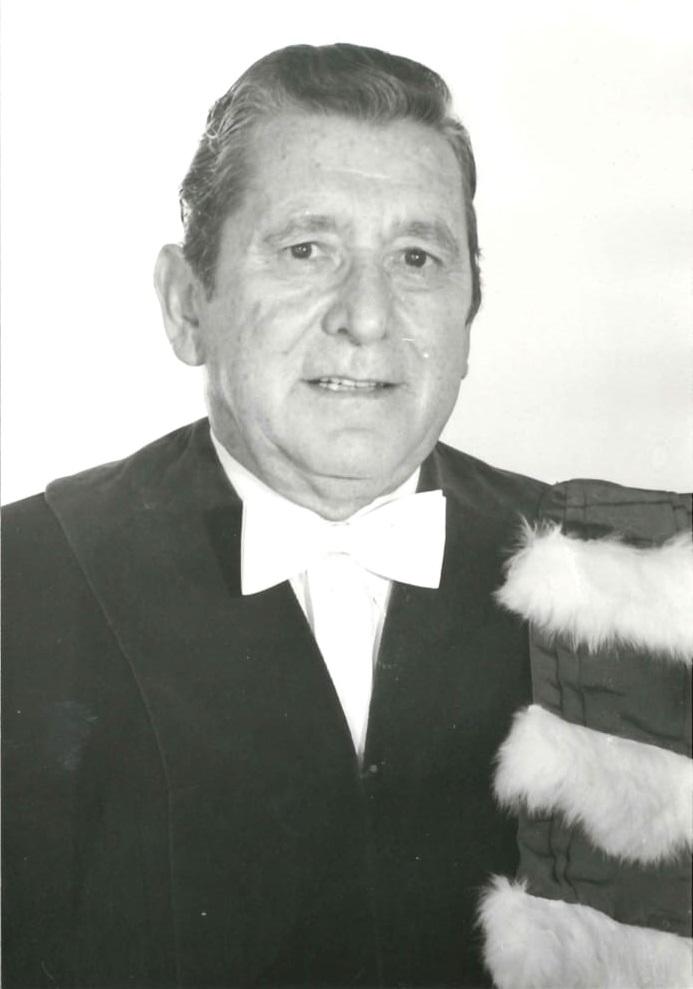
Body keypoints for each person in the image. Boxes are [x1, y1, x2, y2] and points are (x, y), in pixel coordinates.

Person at [2, 43, 691, 989]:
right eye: (305, 250)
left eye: (416, 259)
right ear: (187, 303)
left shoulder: (629, 597)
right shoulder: (20, 586)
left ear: (468, 316)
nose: (366, 316)